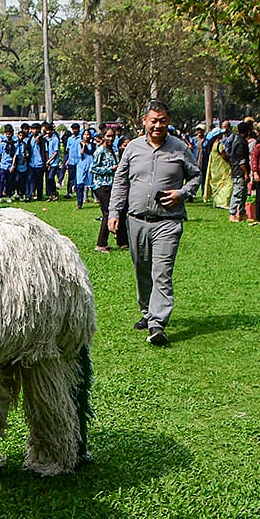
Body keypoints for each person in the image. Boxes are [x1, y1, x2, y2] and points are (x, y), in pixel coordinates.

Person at [108, 101, 202, 346]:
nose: (158, 125)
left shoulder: (179, 148)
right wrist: (114, 212)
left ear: (168, 121)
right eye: (154, 121)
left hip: (168, 222)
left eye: (162, 121)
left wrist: (181, 193)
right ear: (144, 121)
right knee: (142, 269)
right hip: (137, 220)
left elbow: (196, 176)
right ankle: (147, 311)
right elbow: (121, 182)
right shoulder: (132, 148)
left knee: (162, 272)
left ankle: (157, 324)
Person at [90, 128, 127, 252]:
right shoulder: (100, 151)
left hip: (113, 184)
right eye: (108, 136)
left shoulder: (113, 150)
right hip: (101, 185)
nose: (111, 139)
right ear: (103, 137)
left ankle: (122, 241)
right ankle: (101, 244)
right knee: (107, 213)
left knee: (119, 211)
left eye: (112, 136)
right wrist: (110, 169)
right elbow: (93, 168)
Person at [227, 120, 252, 222]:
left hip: (238, 170)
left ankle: (242, 213)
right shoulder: (241, 143)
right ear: (247, 131)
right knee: (237, 193)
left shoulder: (238, 140)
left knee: (243, 194)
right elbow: (241, 161)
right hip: (239, 171)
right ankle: (232, 213)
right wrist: (246, 173)